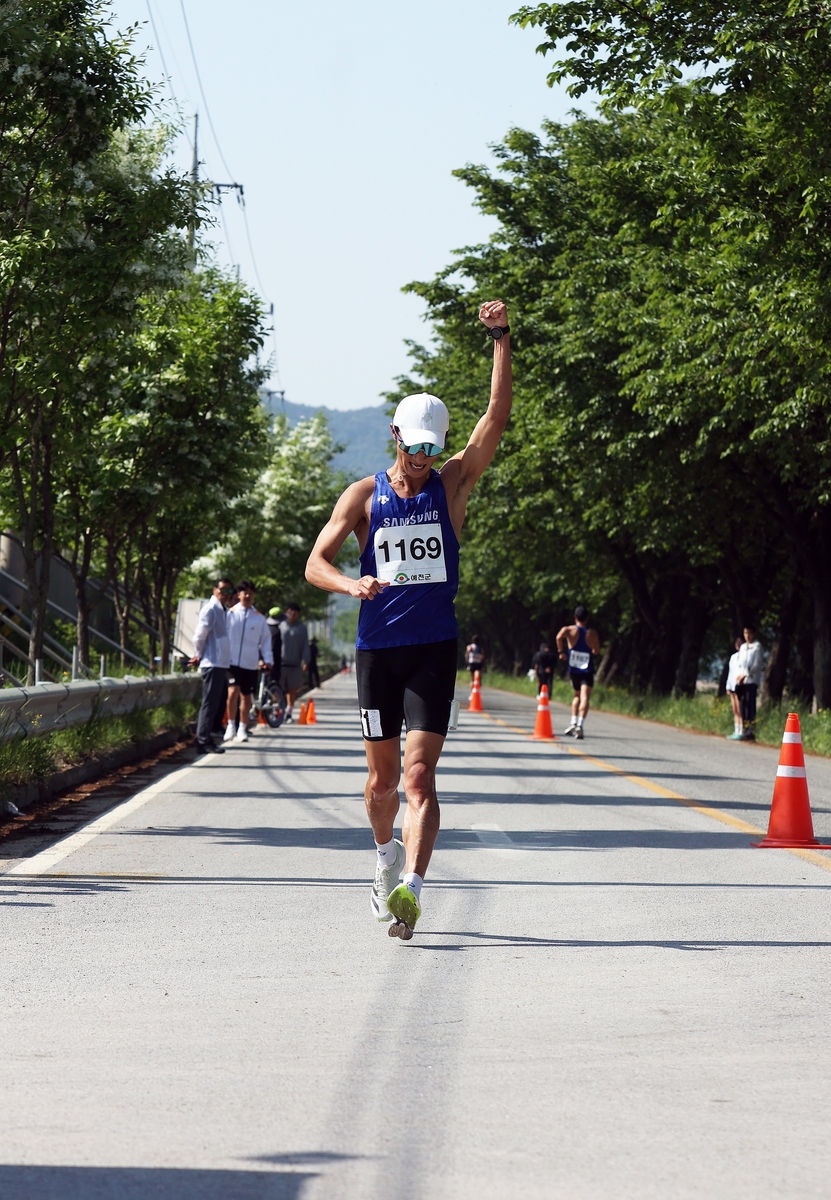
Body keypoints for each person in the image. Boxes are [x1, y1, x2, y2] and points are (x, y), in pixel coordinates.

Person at [305, 299, 512, 939]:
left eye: (433, 446)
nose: (423, 456)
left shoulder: (451, 485)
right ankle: (383, 856)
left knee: (420, 777)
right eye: (414, 444)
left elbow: (494, 421)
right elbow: (315, 562)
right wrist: (351, 581)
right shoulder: (364, 495)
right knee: (381, 783)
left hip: (431, 648)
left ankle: (412, 891)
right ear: (394, 437)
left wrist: (501, 340)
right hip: (377, 652)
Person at [189, 578, 235, 754]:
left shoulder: (222, 610)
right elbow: (199, 635)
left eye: (229, 591)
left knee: (214, 703)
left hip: (220, 662)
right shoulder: (210, 609)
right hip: (212, 662)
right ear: (215, 589)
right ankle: (202, 741)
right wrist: (198, 654)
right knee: (209, 704)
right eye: (222, 590)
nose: (225, 594)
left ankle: (206, 738)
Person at [224, 581, 273, 743]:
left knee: (246, 697)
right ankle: (231, 725)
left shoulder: (258, 618)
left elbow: (265, 641)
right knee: (232, 693)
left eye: (250, 592)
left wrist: (267, 659)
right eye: (244, 592)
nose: (248, 595)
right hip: (231, 662)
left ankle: (242, 728)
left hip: (250, 663)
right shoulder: (230, 614)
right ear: (238, 595)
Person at [556, 605, 601, 739]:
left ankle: (573, 722)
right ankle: (580, 725)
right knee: (585, 697)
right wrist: (591, 649)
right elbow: (596, 651)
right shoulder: (592, 633)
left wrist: (561, 652)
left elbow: (558, 637)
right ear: (587, 618)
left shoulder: (568, 630)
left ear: (575, 617)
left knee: (576, 696)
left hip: (573, 669)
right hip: (587, 670)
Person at [279, 603, 310, 721]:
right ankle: (277, 710)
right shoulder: (280, 625)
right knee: (278, 688)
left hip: (295, 663)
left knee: (292, 689)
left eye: (295, 612)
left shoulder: (302, 628)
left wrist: (306, 660)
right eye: (290, 611)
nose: (292, 614)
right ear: (287, 612)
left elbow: (305, 645)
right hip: (281, 662)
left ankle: (289, 712)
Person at [734, 624, 764, 742]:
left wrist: (745, 675)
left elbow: (756, 665)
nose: (747, 636)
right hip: (741, 681)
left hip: (751, 680)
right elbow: (740, 663)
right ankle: (743, 728)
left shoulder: (757, 647)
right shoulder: (743, 647)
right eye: (745, 633)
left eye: (749, 633)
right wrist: (739, 676)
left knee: (750, 704)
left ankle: (750, 729)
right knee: (743, 705)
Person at [725, 636, 744, 740]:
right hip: (732, 684)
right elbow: (730, 672)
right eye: (736, 642)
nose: (738, 644)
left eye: (740, 642)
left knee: (739, 708)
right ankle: (736, 729)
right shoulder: (733, 657)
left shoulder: (744, 657)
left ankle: (741, 731)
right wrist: (728, 686)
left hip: (739, 685)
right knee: (734, 709)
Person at [266, 606, 283, 685]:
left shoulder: (266, 628)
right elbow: (272, 648)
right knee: (273, 683)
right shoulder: (276, 631)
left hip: (263, 660)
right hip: (273, 663)